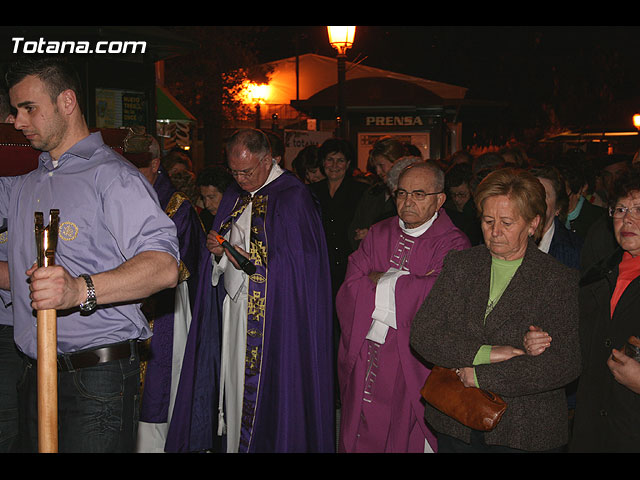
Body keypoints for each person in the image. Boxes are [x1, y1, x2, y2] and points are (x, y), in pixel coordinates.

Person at [1, 56, 179, 453]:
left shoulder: (114, 177)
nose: (18, 122)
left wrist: (79, 290)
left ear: (67, 102)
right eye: (15, 111)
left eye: (28, 108)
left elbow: (164, 266)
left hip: (97, 377)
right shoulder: (26, 183)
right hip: (35, 372)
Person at [410, 167, 581, 453]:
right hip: (457, 420)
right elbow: (423, 333)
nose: (495, 232)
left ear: (533, 224)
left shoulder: (557, 279)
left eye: (507, 222)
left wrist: (480, 376)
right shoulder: (461, 265)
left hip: (523, 429)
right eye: (488, 221)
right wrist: (487, 353)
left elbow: (564, 363)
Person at [206, 128, 334, 452]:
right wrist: (219, 252)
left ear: (268, 160)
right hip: (237, 311)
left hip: (278, 318)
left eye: (247, 171)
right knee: (236, 388)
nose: (241, 179)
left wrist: (255, 265)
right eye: (234, 172)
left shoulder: (294, 197)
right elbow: (225, 248)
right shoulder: (236, 195)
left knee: (273, 391)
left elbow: (302, 271)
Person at [336, 162, 470, 453]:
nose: (408, 201)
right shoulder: (379, 232)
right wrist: (405, 282)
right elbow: (350, 284)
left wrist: (380, 279)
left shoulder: (454, 244)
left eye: (419, 194)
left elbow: (437, 295)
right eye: (402, 193)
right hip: (368, 348)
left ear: (440, 199)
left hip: (412, 358)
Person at [123, 131, 218, 453]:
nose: (133, 175)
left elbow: (184, 264)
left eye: (140, 167)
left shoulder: (178, 207)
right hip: (123, 300)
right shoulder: (118, 197)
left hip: (164, 308)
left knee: (163, 383)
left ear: (156, 163)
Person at [563, 165, 640, 452]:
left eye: (638, 209)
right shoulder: (597, 276)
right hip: (592, 432)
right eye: (619, 210)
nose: (627, 219)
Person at [348, 136, 414, 249]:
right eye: (375, 167)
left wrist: (373, 236)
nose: (378, 171)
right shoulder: (372, 193)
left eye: (381, 165)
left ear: (396, 162)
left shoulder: (413, 195)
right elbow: (353, 230)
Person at [532, 166, 583, 270]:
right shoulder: (505, 239)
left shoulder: (575, 250)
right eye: (530, 194)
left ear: (558, 207)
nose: (535, 201)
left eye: (543, 196)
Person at [196, 165, 233, 232]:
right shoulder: (204, 218)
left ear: (226, 195)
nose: (207, 204)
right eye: (203, 198)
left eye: (211, 197)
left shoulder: (238, 217)